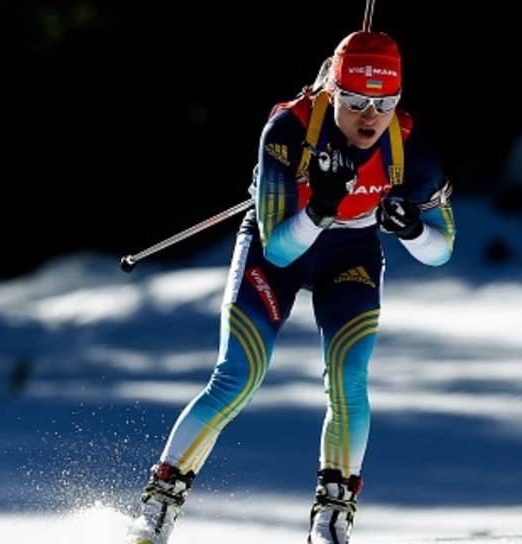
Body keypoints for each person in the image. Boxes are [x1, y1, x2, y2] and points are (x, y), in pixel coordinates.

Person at [126, 29, 455, 544]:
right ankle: (157, 508)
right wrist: (320, 208)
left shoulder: (410, 145)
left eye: (384, 103)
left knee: (349, 380)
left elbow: (442, 249)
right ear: (332, 92)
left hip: (350, 253)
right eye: (355, 102)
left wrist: (412, 229)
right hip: (275, 248)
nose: (370, 118)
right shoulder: (288, 129)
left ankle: (332, 520)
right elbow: (279, 248)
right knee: (238, 377)